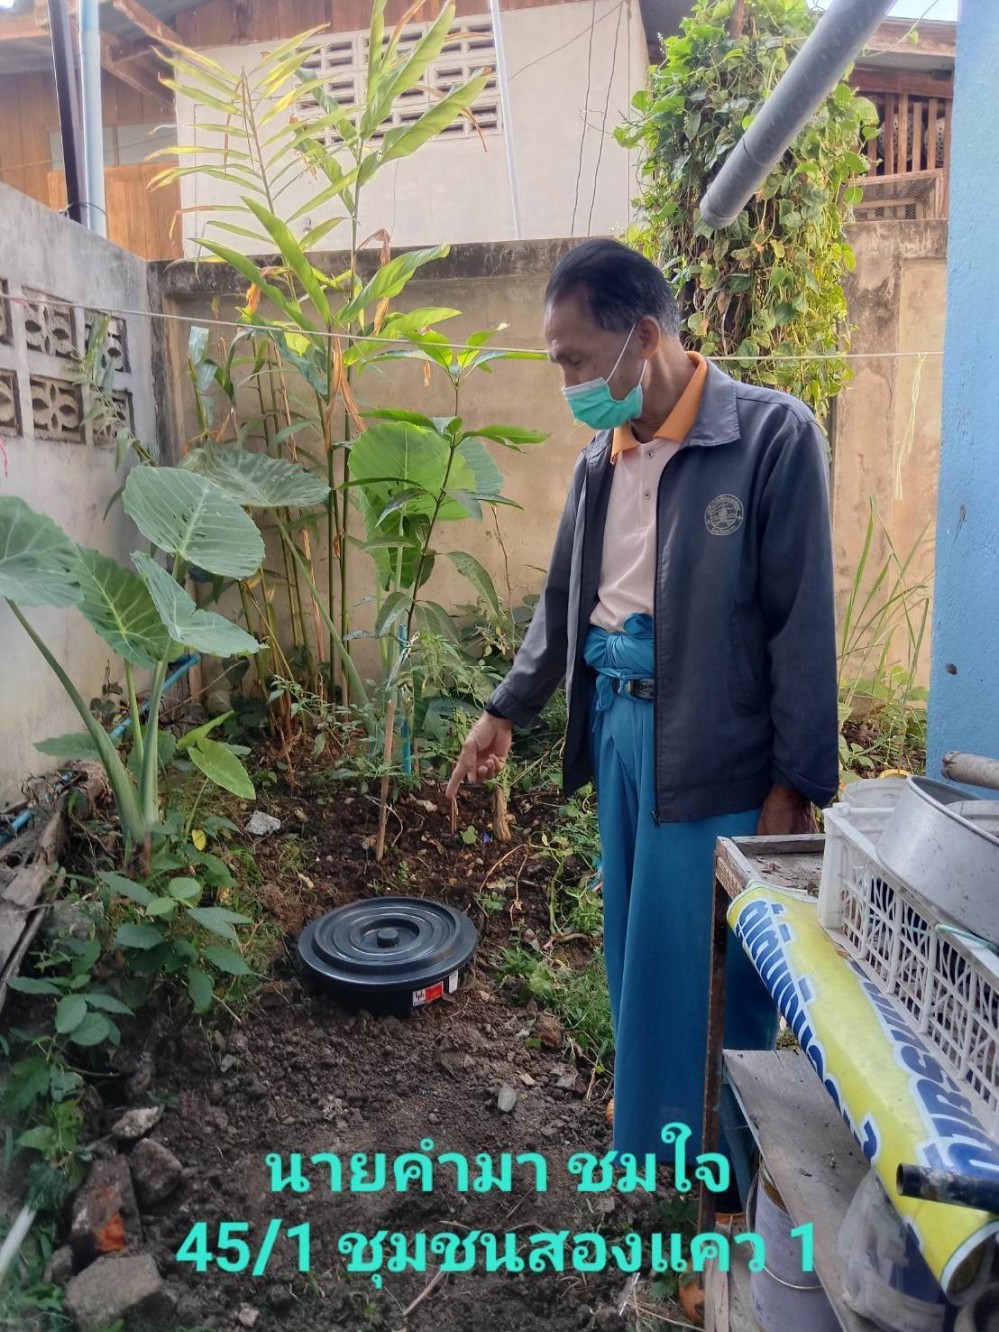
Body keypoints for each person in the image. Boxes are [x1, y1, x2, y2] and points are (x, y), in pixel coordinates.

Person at [445, 238, 839, 1184]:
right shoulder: (600, 460)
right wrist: (504, 710)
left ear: (645, 337)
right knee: (636, 951)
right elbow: (564, 604)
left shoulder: (769, 438)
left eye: (577, 360)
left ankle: (718, 1171)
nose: (568, 384)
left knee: (708, 964)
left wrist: (793, 785)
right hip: (620, 731)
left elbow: (801, 624)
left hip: (716, 744)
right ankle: (651, 1148)